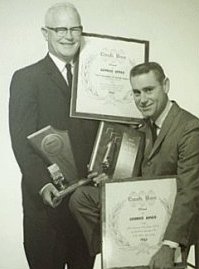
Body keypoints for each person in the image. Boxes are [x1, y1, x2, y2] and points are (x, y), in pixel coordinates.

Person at [69, 62, 199, 269]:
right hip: (141, 211)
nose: (142, 100)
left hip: (173, 214)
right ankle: (118, 250)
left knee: (158, 255)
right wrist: (113, 182)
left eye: (149, 90)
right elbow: (136, 178)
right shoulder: (141, 127)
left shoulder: (190, 128)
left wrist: (169, 245)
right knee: (81, 198)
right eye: (136, 92)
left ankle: (135, 255)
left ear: (166, 85)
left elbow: (190, 191)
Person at [9, 2, 99, 269]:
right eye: (60, 29)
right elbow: (21, 140)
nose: (69, 36)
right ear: (44, 32)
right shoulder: (27, 78)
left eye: (75, 29)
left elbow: (107, 134)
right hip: (46, 208)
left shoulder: (95, 79)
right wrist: (43, 185)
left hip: (84, 207)